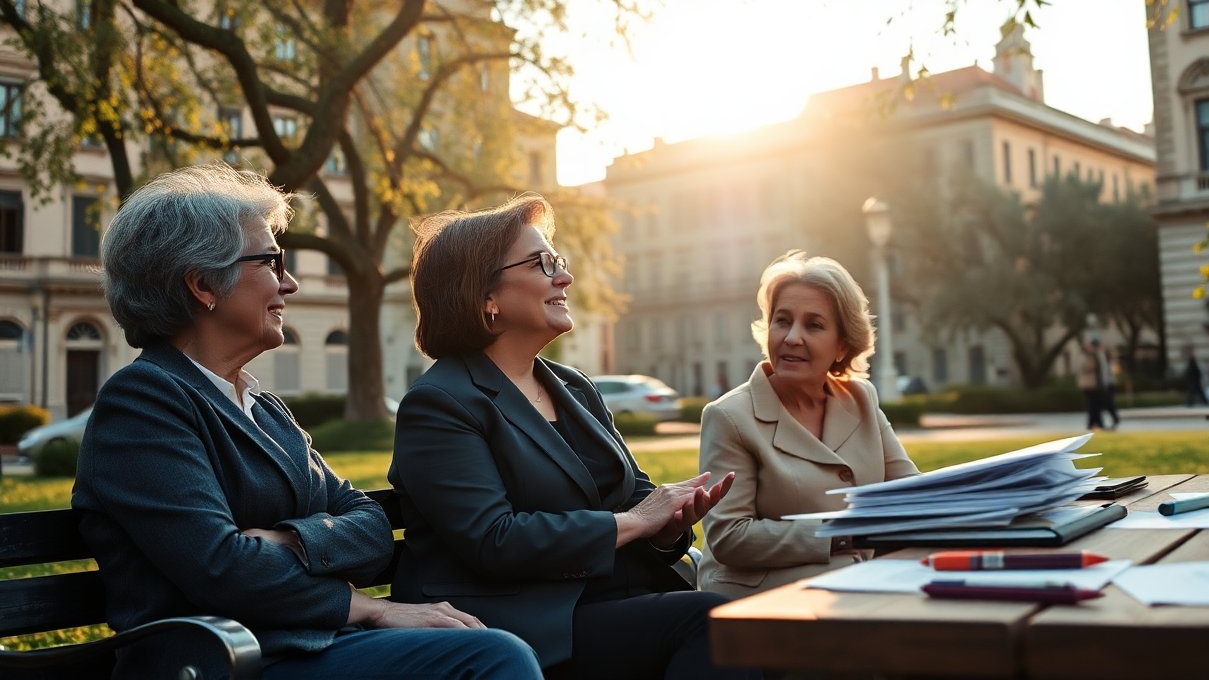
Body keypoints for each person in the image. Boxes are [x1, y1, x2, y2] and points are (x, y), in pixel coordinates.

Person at [72, 164, 541, 679]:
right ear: (203, 283)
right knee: (493, 655)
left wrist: (289, 540)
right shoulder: (143, 402)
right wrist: (369, 607)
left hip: (304, 649)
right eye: (272, 263)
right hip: (222, 663)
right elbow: (222, 569)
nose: (289, 283)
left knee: (492, 645)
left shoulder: (262, 406)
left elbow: (371, 528)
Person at [388, 193, 758, 680]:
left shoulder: (573, 387)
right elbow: (495, 541)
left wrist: (668, 527)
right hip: (524, 623)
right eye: (543, 264)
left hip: (614, 600)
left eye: (558, 261)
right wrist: (636, 522)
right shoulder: (440, 403)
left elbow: (636, 495)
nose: (564, 277)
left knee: (743, 622)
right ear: (486, 297)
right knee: (713, 623)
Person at [697, 251, 920, 600]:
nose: (791, 337)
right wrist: (842, 533)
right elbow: (730, 537)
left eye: (813, 325)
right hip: (760, 597)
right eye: (782, 321)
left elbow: (910, 496)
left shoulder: (862, 399)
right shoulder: (729, 416)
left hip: (857, 580)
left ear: (842, 345)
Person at [1077, 336, 1119, 431]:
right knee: (1094, 405)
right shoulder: (1088, 356)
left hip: (1100, 384)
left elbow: (1105, 370)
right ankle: (1096, 423)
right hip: (1090, 385)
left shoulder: (1100, 355)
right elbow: (1086, 368)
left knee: (1100, 404)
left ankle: (1099, 423)